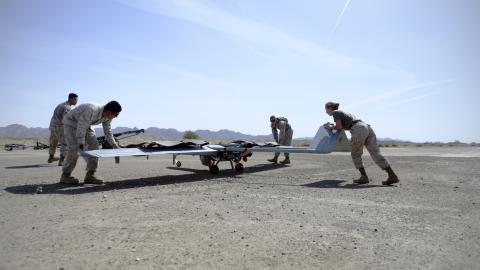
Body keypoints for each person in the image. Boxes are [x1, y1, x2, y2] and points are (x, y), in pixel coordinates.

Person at [324, 101, 399, 185]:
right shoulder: (344, 113)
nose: (326, 112)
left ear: (330, 108)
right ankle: (392, 175)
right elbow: (343, 126)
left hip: (358, 129)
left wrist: (330, 127)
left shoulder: (335, 112)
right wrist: (335, 126)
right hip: (366, 127)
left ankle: (364, 177)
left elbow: (339, 127)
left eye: (326, 109)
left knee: (355, 154)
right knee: (375, 153)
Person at [60, 101, 122, 185]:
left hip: (86, 125)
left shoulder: (108, 117)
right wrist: (81, 142)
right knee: (74, 148)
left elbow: (107, 131)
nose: (115, 117)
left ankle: (90, 175)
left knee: (95, 146)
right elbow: (81, 125)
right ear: (109, 112)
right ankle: (65, 176)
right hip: (71, 123)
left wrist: (114, 144)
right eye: (115, 115)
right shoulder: (92, 110)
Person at [48, 93, 78, 165]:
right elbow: (66, 119)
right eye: (75, 100)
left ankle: (51, 157)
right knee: (65, 143)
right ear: (71, 99)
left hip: (53, 126)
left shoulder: (61, 104)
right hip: (60, 127)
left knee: (53, 143)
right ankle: (62, 160)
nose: (76, 102)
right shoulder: (67, 107)